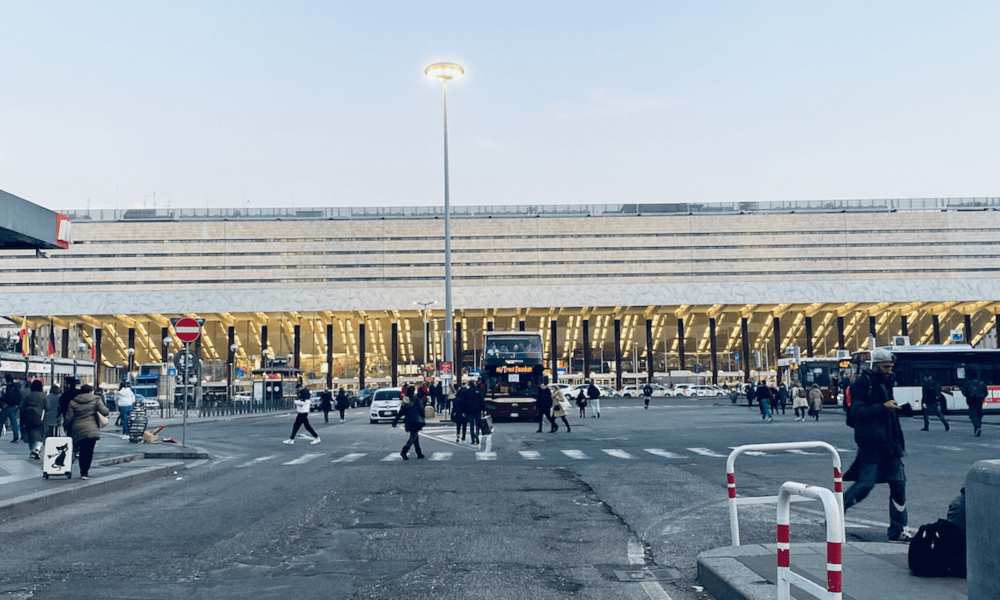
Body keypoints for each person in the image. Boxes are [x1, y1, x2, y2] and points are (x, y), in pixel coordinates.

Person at [843, 348, 911, 542]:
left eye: (891, 366)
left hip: (891, 444)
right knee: (865, 484)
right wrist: (883, 408)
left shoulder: (885, 382)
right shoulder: (861, 384)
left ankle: (897, 531)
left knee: (899, 484)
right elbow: (856, 412)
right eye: (886, 366)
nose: (890, 370)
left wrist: (895, 409)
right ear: (875, 365)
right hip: (871, 445)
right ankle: (835, 512)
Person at [63, 384, 110, 480]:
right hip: (91, 429)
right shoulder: (96, 399)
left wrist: (66, 427)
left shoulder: (73, 402)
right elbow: (105, 412)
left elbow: (69, 417)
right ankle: (84, 472)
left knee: (81, 451)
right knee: (88, 451)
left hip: (77, 430)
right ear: (90, 391)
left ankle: (81, 470)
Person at [391, 390, 425, 460]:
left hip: (408, 421)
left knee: (415, 436)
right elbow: (421, 410)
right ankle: (404, 451)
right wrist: (423, 417)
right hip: (416, 420)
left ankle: (419, 453)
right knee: (413, 436)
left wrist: (395, 420)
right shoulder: (417, 400)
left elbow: (401, 412)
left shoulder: (405, 402)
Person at [20, 380, 47, 459]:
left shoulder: (28, 395)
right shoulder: (43, 396)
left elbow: (22, 406)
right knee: (41, 434)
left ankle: (32, 450)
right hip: (40, 418)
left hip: (28, 418)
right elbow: (47, 406)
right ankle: (37, 449)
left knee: (30, 434)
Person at [1, 374, 21, 442]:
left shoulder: (6, 387)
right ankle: (16, 436)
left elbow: (4, 396)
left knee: (1, 420)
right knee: (14, 422)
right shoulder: (16, 386)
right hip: (13, 406)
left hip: (6, 406)